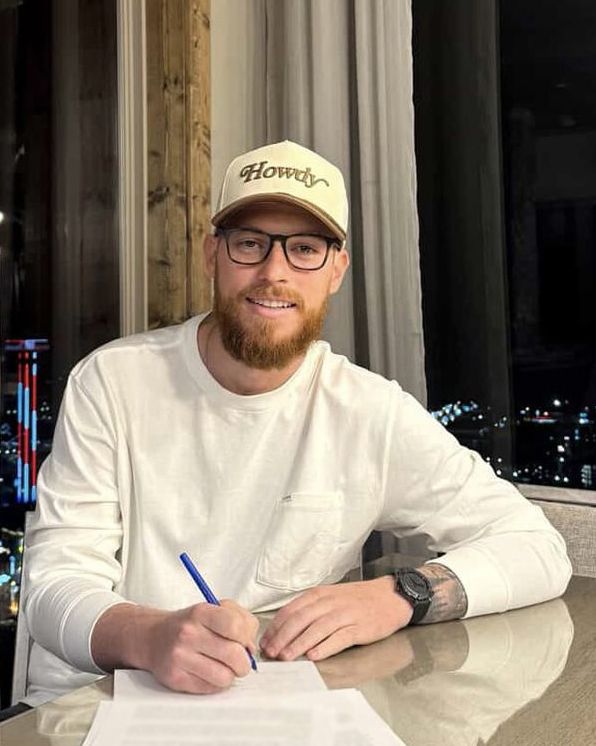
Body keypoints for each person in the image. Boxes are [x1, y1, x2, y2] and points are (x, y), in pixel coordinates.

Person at [23, 140, 571, 702]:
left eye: (304, 249)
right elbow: (52, 585)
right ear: (212, 255)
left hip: (274, 705)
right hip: (96, 702)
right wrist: (150, 636)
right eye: (250, 244)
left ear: (336, 270)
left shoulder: (368, 411)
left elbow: (537, 547)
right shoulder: (112, 382)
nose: (273, 272)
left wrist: (401, 595)